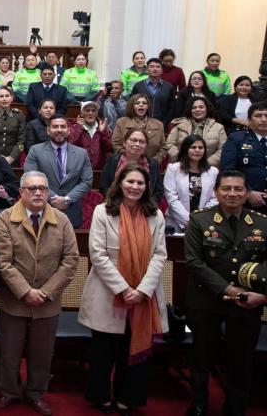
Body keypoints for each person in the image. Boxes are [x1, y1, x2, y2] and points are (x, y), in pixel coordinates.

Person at [78, 165, 168, 414]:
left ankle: (128, 397)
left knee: (134, 350)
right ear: (120, 183)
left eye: (140, 183)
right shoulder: (102, 211)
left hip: (143, 296)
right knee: (103, 351)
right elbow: (97, 254)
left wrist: (141, 290)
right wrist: (123, 288)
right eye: (131, 182)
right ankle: (101, 396)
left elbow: (160, 255)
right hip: (108, 293)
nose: (135, 187)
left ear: (147, 187)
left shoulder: (156, 215)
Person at [0, 170, 79, 416]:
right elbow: (3, 262)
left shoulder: (61, 220)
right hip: (14, 299)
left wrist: (46, 292)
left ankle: (36, 393)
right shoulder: (6, 219)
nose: (38, 192)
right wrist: (25, 291)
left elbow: (71, 261)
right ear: (21, 192)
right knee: (10, 350)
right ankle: (8, 391)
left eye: (43, 188)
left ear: (49, 192)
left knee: (42, 351)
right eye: (32, 188)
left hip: (47, 301)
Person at [183, 170, 267, 416]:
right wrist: (229, 290)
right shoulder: (200, 220)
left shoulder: (262, 223)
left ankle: (235, 408)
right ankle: (198, 404)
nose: (233, 194)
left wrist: (263, 296)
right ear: (217, 192)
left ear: (246, 192)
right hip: (206, 302)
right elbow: (194, 263)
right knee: (201, 360)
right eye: (227, 189)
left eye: (238, 189)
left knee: (241, 362)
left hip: (248, 305)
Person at [24, 116, 94, 229]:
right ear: (48, 130)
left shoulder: (82, 153)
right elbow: (30, 178)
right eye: (55, 126)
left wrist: (67, 199)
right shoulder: (35, 151)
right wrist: (53, 197)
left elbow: (86, 181)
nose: (59, 130)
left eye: (63, 126)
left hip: (72, 211)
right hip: (42, 208)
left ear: (69, 130)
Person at [163, 135, 219, 234]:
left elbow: (214, 199)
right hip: (176, 221)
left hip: (204, 222)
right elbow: (172, 198)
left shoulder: (213, 171)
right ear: (185, 149)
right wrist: (188, 220)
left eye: (201, 148)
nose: (197, 150)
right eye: (193, 147)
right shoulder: (173, 168)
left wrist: (199, 219)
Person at [221, 101, 267, 213]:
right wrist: (248, 192)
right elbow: (229, 170)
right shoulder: (236, 139)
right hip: (247, 202)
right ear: (249, 120)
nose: (264, 119)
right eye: (258, 116)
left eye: (266, 116)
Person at [100, 127, 164, 203]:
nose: (137, 144)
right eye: (133, 140)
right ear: (124, 142)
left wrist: (147, 206)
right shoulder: (113, 161)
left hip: (144, 208)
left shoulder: (153, 164)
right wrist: (117, 203)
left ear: (146, 145)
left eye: (141, 142)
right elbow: (104, 186)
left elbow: (158, 191)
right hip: (115, 205)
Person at [166, 96, 227, 167]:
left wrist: (206, 164)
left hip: (208, 168)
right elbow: (169, 144)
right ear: (190, 110)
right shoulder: (180, 126)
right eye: (194, 107)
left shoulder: (218, 127)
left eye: (201, 107)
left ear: (207, 109)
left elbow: (223, 149)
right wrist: (182, 160)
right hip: (182, 166)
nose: (197, 110)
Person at [113, 93, 167, 162]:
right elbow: (116, 143)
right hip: (128, 163)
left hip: (151, 165)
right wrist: (129, 157)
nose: (141, 105)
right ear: (132, 106)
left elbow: (163, 147)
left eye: (144, 103)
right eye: (137, 103)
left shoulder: (159, 124)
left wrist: (154, 161)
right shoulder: (121, 122)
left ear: (148, 107)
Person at [68, 100, 113, 169]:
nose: (90, 113)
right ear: (82, 113)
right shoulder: (74, 127)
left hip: (99, 168)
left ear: (97, 113)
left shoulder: (103, 127)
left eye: (93, 110)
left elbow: (108, 148)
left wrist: (103, 133)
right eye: (87, 110)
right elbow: (71, 147)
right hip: (79, 168)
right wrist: (79, 129)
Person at [130, 58, 174, 122]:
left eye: (158, 67)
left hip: (161, 124)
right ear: (147, 70)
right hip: (139, 124)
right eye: (152, 66)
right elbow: (131, 105)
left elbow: (172, 108)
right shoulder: (138, 86)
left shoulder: (169, 87)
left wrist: (164, 123)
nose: (155, 69)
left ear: (162, 70)